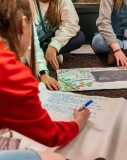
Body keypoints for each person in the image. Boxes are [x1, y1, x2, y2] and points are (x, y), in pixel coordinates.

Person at [0, 1, 90, 160]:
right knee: (56, 158)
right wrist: (79, 122)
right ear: (23, 23)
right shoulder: (13, 74)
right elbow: (51, 135)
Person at [32, 0, 85, 70]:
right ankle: (42, 56)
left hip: (49, 40)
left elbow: (71, 24)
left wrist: (53, 47)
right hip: (30, 42)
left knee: (79, 37)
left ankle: (46, 54)